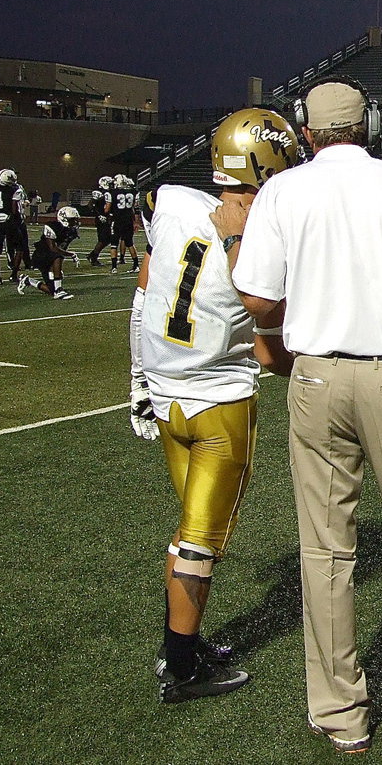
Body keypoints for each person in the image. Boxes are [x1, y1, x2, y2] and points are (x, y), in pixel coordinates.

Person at [215, 78, 382, 754]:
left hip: (317, 374)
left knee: (326, 548)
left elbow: (260, 304)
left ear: (306, 131)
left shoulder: (282, 192)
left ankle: (340, 711)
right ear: (370, 125)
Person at [132, 107, 299, 704]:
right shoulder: (254, 237)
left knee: (188, 535)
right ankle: (180, 663)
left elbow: (147, 284)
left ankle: (187, 639)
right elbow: (269, 343)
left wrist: (139, 376)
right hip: (218, 406)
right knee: (201, 540)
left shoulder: (174, 204)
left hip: (166, 398)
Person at [18, 206, 81, 299]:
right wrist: (70, 254)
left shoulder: (71, 231)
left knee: (52, 291)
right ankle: (59, 289)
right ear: (64, 218)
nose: (75, 222)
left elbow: (62, 247)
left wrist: (56, 270)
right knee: (58, 256)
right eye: (73, 219)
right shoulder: (52, 226)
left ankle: (28, 280)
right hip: (41, 256)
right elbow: (53, 248)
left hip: (52, 256)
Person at [0, 168, 24, 285]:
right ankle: (13, 275)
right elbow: (14, 209)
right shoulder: (14, 190)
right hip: (9, 221)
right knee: (20, 248)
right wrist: (17, 220)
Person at [110, 173, 140, 273]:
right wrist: (136, 222)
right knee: (130, 243)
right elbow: (135, 208)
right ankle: (136, 265)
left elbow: (108, 207)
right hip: (128, 220)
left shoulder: (113, 192)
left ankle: (114, 267)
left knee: (114, 244)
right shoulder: (133, 191)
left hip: (117, 220)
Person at [88, 176, 115, 266]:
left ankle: (92, 255)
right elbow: (90, 205)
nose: (112, 185)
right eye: (110, 184)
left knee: (107, 239)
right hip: (101, 219)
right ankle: (93, 257)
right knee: (103, 239)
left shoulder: (108, 193)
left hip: (106, 218)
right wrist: (99, 215)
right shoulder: (99, 193)